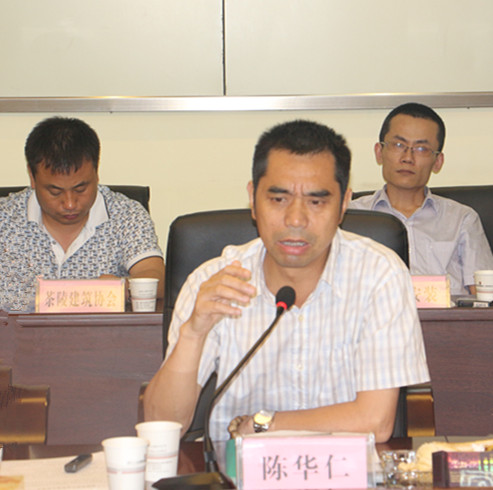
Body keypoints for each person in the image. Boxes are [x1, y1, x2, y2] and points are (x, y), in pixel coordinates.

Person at [144, 120, 429, 443]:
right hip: (235, 469)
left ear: (343, 204)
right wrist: (193, 334)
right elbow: (161, 424)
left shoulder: (379, 275)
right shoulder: (212, 282)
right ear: (253, 199)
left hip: (344, 469)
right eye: (278, 199)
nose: (295, 219)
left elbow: (376, 421)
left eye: (316, 201)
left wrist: (265, 424)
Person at [0, 116, 164, 312]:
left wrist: (124, 288)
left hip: (102, 331)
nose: (70, 204)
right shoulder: (4, 219)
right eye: (55, 192)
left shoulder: (126, 215)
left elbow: (156, 277)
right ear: (32, 177)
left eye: (80, 189)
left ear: (96, 172)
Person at [349, 102, 493, 296]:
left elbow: (485, 298)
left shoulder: (462, 219)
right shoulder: (350, 216)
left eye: (421, 149)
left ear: (437, 162)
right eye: (398, 145)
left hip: (445, 316)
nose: (408, 157)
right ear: (379, 152)